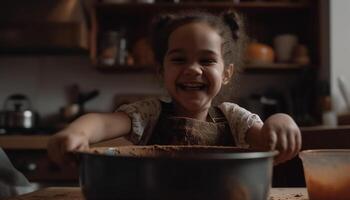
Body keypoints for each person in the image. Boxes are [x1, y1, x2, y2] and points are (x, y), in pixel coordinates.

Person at [48, 10, 301, 166]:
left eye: (206, 60)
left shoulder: (234, 117)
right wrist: (76, 132)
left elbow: (268, 139)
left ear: (226, 74)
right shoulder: (149, 113)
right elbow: (102, 123)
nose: (192, 69)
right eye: (179, 59)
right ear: (162, 70)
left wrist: (281, 120)